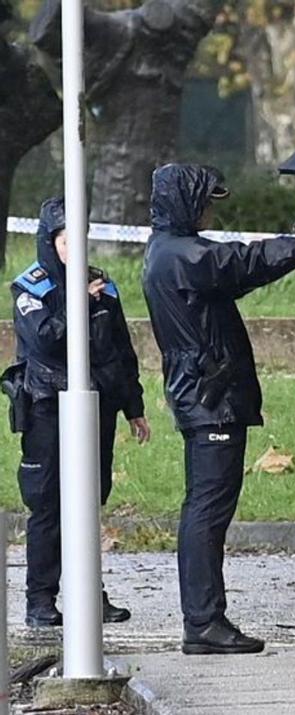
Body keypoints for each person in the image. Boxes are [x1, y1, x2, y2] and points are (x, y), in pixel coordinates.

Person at [142, 164, 295, 655]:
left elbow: (236, 274)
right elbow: (240, 262)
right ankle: (204, 622)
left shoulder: (172, 254)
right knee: (206, 511)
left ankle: (205, 619)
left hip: (205, 396)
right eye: (205, 200)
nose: (211, 209)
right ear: (185, 202)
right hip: (211, 401)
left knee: (204, 509)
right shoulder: (181, 256)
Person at [8, 197, 149, 628]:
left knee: (90, 500)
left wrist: (133, 406)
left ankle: (90, 595)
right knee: (48, 504)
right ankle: (40, 600)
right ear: (51, 243)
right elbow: (48, 340)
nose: (76, 250)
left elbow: (120, 351)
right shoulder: (31, 288)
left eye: (81, 240)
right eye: (67, 242)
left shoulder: (102, 286)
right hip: (48, 407)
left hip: (98, 404)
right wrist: (77, 301)